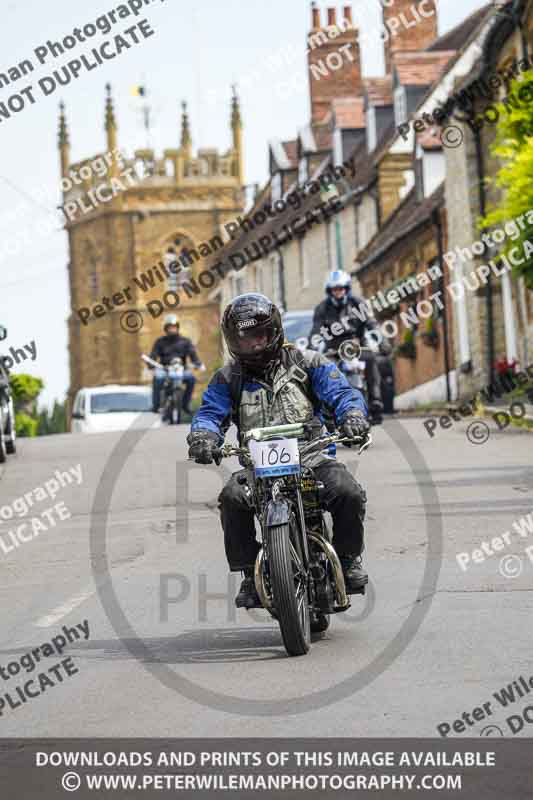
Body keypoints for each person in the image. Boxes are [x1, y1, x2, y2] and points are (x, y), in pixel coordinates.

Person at [187, 293, 370, 609]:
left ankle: (349, 558)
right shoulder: (227, 378)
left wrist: (352, 416)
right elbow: (209, 414)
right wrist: (203, 437)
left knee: (348, 491)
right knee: (231, 498)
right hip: (257, 466)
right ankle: (248, 572)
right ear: (233, 341)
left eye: (259, 336)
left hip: (311, 457)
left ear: (274, 332)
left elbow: (342, 393)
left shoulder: (308, 362)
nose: (254, 345)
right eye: (245, 339)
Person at [310, 270, 392, 422]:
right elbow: (315, 333)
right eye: (335, 289)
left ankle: (375, 401)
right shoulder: (322, 309)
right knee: (325, 370)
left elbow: (372, 324)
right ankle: (328, 407)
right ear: (329, 291)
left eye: (341, 289)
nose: (338, 292)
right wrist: (311, 350)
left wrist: (383, 342)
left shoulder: (358, 303)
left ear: (347, 289)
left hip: (357, 347)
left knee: (372, 359)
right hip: (334, 350)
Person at [149, 314, 204, 415]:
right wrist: (151, 364)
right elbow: (153, 354)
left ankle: (185, 404)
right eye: (170, 327)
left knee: (191, 379)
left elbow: (193, 355)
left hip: (181, 369)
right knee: (158, 379)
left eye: (174, 327)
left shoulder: (185, 341)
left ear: (177, 327)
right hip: (164, 369)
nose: (172, 329)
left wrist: (197, 363)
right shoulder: (160, 342)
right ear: (166, 328)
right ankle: (156, 405)